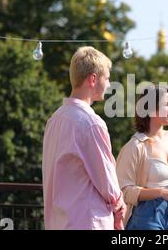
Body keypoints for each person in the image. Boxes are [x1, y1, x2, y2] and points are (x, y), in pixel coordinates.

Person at [42, 46, 125, 230]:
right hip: (88, 221)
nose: (110, 85)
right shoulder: (91, 123)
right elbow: (107, 181)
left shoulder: (54, 120)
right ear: (93, 79)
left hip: (58, 223)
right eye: (108, 78)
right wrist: (119, 207)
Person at [116, 85, 168, 230]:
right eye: (167, 105)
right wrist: (161, 192)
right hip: (146, 216)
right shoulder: (135, 146)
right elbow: (124, 191)